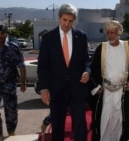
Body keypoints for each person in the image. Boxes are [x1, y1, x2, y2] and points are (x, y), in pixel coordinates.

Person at [88, 20, 129, 141]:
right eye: (108, 32)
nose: (110, 35)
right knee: (104, 121)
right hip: (106, 93)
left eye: (113, 32)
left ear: (119, 32)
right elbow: (94, 69)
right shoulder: (101, 48)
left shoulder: (127, 46)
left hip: (122, 92)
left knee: (120, 121)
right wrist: (96, 86)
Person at [37, 3, 90, 141]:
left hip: (77, 88)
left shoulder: (81, 36)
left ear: (74, 20)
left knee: (79, 124)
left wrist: (87, 71)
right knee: (58, 125)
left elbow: (86, 60)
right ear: (59, 18)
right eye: (64, 20)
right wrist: (43, 88)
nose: (67, 24)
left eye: (70, 21)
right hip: (56, 89)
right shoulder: (48, 38)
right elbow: (42, 66)